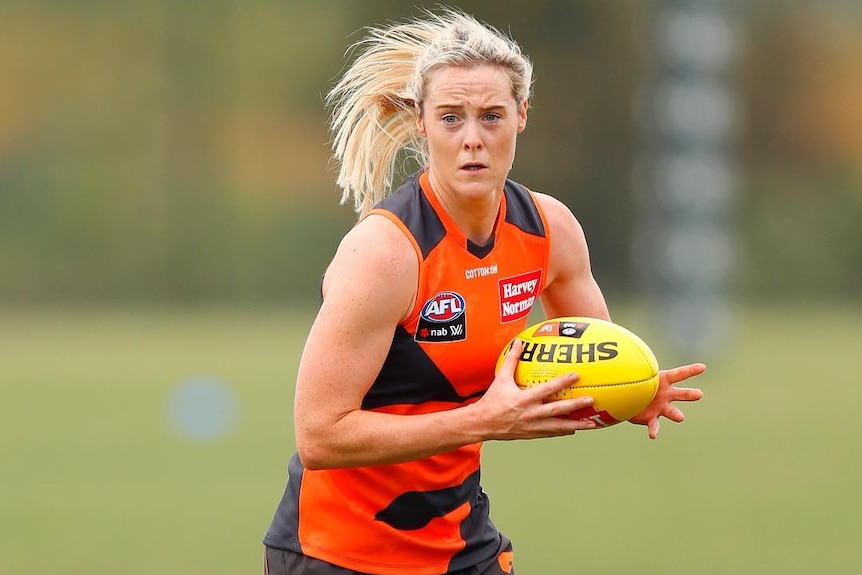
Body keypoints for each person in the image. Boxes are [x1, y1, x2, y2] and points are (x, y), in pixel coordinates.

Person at [263, 9, 705, 575]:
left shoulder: (549, 232)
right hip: (338, 555)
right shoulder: (386, 253)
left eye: (491, 116)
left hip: (460, 546)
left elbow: (593, 360)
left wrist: (633, 392)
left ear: (522, 116)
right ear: (421, 122)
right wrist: (484, 420)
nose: (473, 139)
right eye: (451, 118)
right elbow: (320, 435)